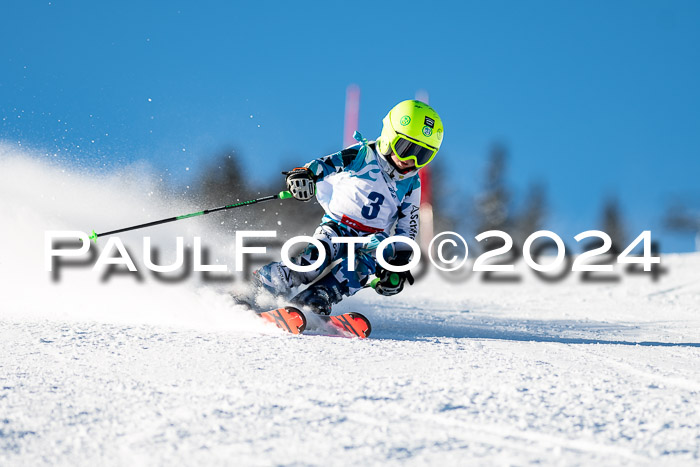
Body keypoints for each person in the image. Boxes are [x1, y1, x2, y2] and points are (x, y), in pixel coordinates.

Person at [247, 100, 444, 315]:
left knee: (361, 267)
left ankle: (318, 297)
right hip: (338, 226)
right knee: (314, 261)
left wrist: (398, 264)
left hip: (373, 239)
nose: (411, 160)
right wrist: (305, 175)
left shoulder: (412, 182)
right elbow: (325, 165)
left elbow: (408, 226)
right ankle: (265, 283)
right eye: (406, 148)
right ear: (389, 137)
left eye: (422, 155)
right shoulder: (363, 155)